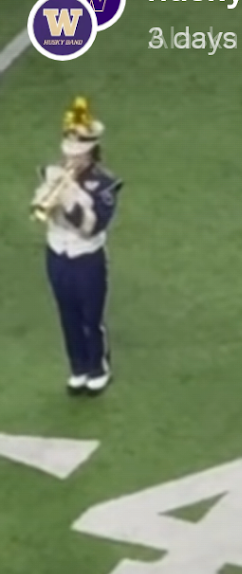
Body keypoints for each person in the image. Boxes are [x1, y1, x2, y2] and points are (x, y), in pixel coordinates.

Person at [32, 97, 122, 395]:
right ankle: (78, 368)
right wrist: (47, 197)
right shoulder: (52, 172)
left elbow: (92, 226)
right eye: (68, 154)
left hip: (87, 258)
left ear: (90, 153)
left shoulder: (105, 184)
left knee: (90, 317)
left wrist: (69, 200)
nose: (71, 160)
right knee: (67, 315)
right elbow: (39, 209)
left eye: (78, 155)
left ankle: (98, 367)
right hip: (57, 255)